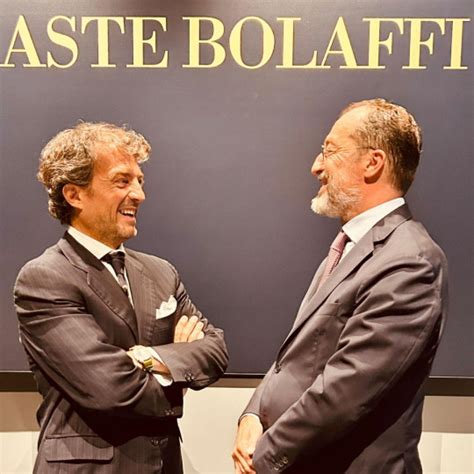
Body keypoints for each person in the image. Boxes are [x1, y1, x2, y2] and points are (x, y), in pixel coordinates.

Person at [232, 98, 448, 474]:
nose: (317, 166)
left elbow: (347, 388)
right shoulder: (352, 247)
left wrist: (263, 457)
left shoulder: (410, 261)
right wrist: (252, 414)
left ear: (373, 163)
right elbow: (294, 359)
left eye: (330, 151)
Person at [14, 122, 228, 473]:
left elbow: (216, 351)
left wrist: (147, 358)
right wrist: (177, 369)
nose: (139, 194)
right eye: (122, 181)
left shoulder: (161, 271)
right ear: (74, 194)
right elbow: (111, 388)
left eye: (140, 181)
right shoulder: (45, 278)